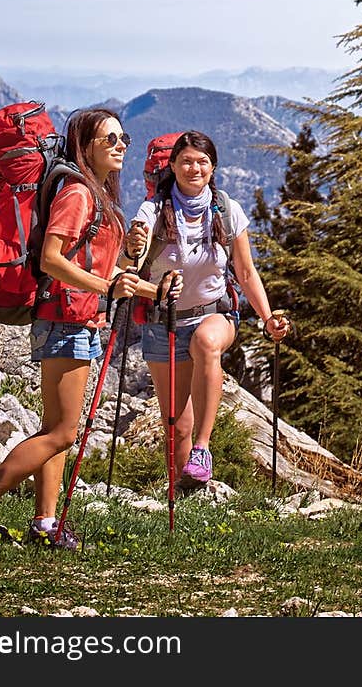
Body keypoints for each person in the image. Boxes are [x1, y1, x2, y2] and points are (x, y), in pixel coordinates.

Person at [0, 107, 143, 551]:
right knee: (62, 433)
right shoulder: (76, 191)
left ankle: (46, 525)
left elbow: (102, 267)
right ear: (84, 145)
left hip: (74, 315)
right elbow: (52, 260)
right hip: (67, 318)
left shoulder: (96, 193)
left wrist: (131, 262)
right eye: (109, 139)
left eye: (123, 137)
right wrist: (110, 285)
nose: (120, 145)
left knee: (54, 427)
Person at [122, 129, 291, 489]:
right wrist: (132, 246)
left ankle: (204, 447)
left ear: (213, 168)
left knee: (205, 342)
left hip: (215, 314)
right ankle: (181, 498)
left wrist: (267, 317)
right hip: (162, 324)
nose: (194, 168)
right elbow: (127, 269)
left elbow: (245, 272)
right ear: (172, 166)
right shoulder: (152, 211)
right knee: (177, 424)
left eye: (202, 162)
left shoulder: (227, 211)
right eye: (186, 161)